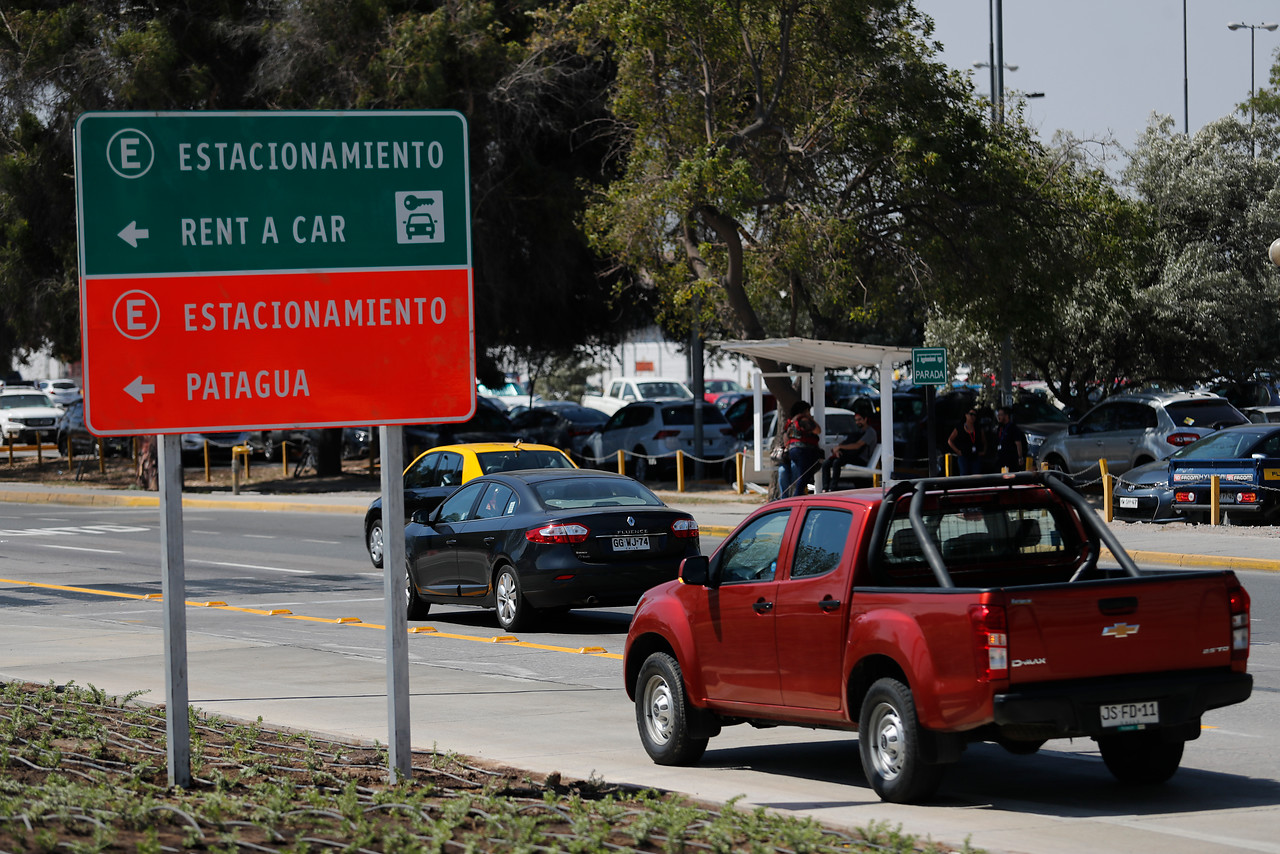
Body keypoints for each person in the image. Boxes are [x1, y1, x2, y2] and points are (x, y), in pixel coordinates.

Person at [822, 410, 877, 491]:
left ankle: (833, 488)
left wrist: (840, 447)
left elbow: (857, 445)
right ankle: (825, 488)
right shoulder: (859, 431)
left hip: (862, 459)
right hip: (852, 456)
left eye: (860, 419)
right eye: (856, 420)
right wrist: (838, 450)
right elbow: (847, 442)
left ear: (865, 419)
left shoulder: (870, 432)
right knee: (826, 463)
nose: (857, 422)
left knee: (837, 462)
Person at [777, 400, 822, 498]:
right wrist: (811, 419)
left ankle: (784, 499)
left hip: (790, 453)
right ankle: (796, 496)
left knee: (785, 472)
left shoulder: (790, 422)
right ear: (805, 411)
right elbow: (818, 430)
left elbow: (785, 438)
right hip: (803, 451)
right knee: (802, 477)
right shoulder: (804, 420)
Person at [947, 408, 986, 475]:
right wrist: (957, 451)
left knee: (976, 475)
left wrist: (984, 451)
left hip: (975, 456)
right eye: (971, 414)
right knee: (964, 474)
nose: (972, 416)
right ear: (966, 415)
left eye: (974, 415)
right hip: (964, 455)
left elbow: (984, 441)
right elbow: (950, 440)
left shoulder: (978, 428)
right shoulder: (960, 427)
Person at [993, 404, 1027, 472]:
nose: (999, 417)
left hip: (1010, 458)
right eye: (998, 415)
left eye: (1001, 415)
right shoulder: (1000, 428)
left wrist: (1020, 457)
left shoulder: (1013, 428)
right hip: (1000, 457)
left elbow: (1018, 443)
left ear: (1006, 416)